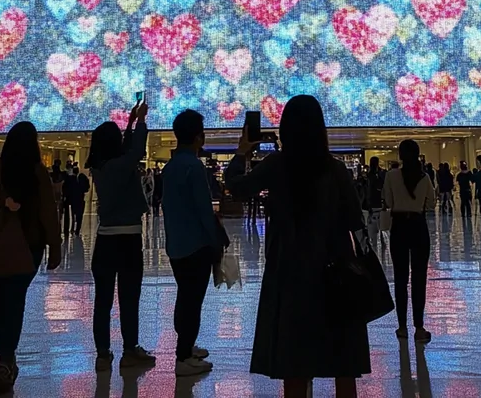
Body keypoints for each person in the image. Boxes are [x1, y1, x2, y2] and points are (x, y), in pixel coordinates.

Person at [225, 95, 370, 398]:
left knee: (294, 364)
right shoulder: (336, 170)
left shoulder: (277, 165)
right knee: (343, 363)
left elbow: (236, 186)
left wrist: (241, 152)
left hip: (289, 275)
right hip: (336, 277)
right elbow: (356, 222)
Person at [0, 122, 61, 393]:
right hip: (29, 245)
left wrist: (0, 200)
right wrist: (55, 247)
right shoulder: (38, 173)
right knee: (15, 298)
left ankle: (5, 355)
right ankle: (7, 356)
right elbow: (48, 211)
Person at [86, 100, 155, 373]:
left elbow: (127, 150)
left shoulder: (100, 168)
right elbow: (135, 150)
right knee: (129, 297)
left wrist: (128, 123)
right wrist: (140, 121)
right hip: (128, 239)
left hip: (104, 240)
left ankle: (103, 354)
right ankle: (130, 350)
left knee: (102, 300)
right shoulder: (121, 166)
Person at [162, 109, 221, 377]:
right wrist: (215, 241)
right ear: (199, 136)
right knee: (193, 300)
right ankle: (183, 357)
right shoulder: (194, 167)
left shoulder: (171, 167)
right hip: (197, 245)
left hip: (176, 244)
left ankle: (185, 346)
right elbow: (203, 210)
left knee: (184, 295)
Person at [383, 139, 436, 344]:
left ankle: (402, 326)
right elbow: (431, 203)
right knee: (419, 277)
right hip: (418, 226)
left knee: (400, 278)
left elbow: (388, 201)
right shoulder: (424, 177)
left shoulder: (391, 176)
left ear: (400, 156)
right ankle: (419, 326)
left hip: (399, 227)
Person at [365, 156, 385, 250]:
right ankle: (382, 241)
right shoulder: (379, 175)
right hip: (378, 203)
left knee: (372, 229)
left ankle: (374, 245)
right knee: (381, 225)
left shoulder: (369, 176)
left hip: (372, 205)